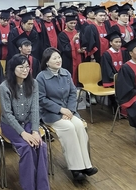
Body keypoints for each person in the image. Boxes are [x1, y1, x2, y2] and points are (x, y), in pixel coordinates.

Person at [36, 47, 98, 181]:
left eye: (59, 57)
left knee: (79, 126)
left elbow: (72, 93)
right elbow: (41, 99)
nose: (58, 60)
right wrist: (60, 110)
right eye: (54, 58)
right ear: (47, 62)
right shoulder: (41, 77)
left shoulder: (66, 73)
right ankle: (76, 168)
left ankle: (86, 165)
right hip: (51, 113)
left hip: (69, 112)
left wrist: (69, 110)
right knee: (69, 128)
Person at [0, 54, 49, 190]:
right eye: (21, 67)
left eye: (27, 67)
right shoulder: (5, 87)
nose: (25, 70)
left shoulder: (33, 83)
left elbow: (35, 109)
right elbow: (7, 114)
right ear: (12, 69)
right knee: (27, 148)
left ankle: (43, 186)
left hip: (28, 123)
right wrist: (23, 134)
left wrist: (34, 131)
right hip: (10, 125)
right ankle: (29, 187)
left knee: (41, 145)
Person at [58, 15, 83, 85]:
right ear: (66, 23)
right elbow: (65, 49)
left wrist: (82, 50)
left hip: (79, 58)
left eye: (74, 23)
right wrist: (73, 40)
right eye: (71, 23)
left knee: (80, 76)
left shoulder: (78, 32)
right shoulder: (62, 35)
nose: (73, 25)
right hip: (68, 60)